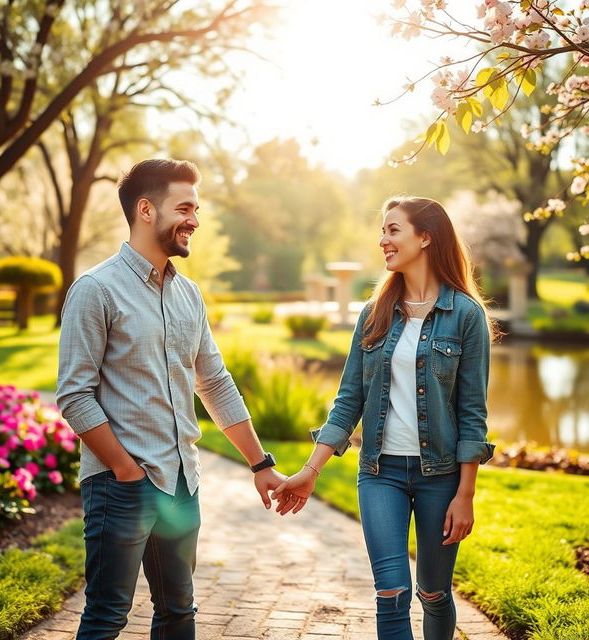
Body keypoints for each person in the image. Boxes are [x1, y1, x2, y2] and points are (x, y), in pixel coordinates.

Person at [56, 158, 285, 640]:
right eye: (184, 208)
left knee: (180, 612)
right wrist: (125, 470)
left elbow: (215, 383)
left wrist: (260, 463)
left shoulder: (190, 296)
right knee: (106, 617)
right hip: (123, 486)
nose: (195, 221)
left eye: (196, 209)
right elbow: (74, 396)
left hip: (183, 482)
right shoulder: (95, 290)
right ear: (145, 210)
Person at [272, 196, 496, 640]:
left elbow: (473, 414)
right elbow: (348, 399)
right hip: (380, 473)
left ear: (425, 237)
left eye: (394, 230)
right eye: (383, 231)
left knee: (433, 593)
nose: (383, 240)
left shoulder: (466, 316)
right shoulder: (374, 314)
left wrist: (465, 493)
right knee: (391, 592)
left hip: (441, 477)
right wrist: (310, 470)